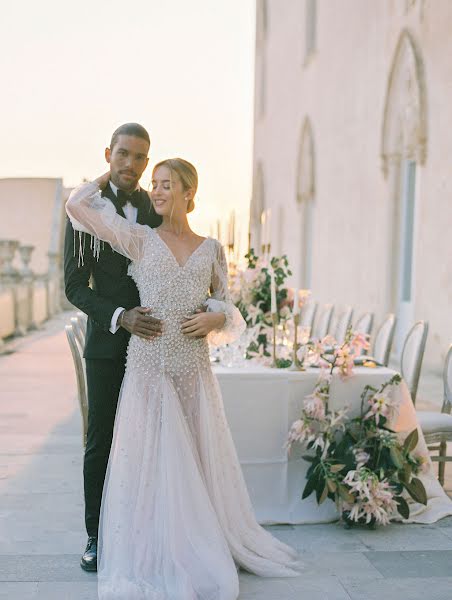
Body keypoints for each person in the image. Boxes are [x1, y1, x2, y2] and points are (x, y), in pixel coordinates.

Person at [66, 158, 302, 599]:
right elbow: (78, 205)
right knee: (151, 461)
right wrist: (108, 172)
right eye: (154, 184)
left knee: (194, 459)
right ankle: (153, 544)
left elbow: (228, 306)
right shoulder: (138, 239)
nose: (155, 191)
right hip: (148, 367)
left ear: (189, 192)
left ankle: (201, 542)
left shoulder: (212, 248)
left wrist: (214, 319)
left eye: (166, 185)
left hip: (193, 370)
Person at [63, 125, 226, 572]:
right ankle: (97, 536)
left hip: (160, 345)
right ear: (109, 155)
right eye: (123, 155)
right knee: (102, 441)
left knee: (157, 442)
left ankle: (151, 528)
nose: (132, 165)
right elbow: (75, 288)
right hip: (109, 341)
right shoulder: (87, 210)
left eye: (140, 158)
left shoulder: (152, 205)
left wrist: (213, 311)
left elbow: (178, 264)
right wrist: (120, 316)